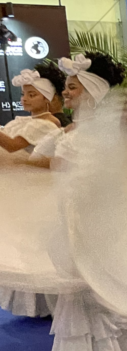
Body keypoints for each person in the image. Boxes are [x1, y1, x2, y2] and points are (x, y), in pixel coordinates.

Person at [30, 53, 127, 351]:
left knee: (99, 277)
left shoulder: (109, 131)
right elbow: (44, 163)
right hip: (74, 213)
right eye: (66, 87)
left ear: (93, 92)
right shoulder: (69, 131)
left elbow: (99, 171)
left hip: (101, 217)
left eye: (73, 87)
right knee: (86, 278)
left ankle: (114, 343)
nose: (66, 93)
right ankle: (109, 344)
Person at [0, 68, 65, 317]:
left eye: (32, 94)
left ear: (47, 98)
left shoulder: (46, 123)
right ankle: (38, 303)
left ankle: (52, 300)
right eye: (23, 94)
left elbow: (13, 145)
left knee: (35, 245)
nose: (25, 99)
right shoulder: (23, 122)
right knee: (24, 244)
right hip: (23, 187)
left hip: (37, 188)